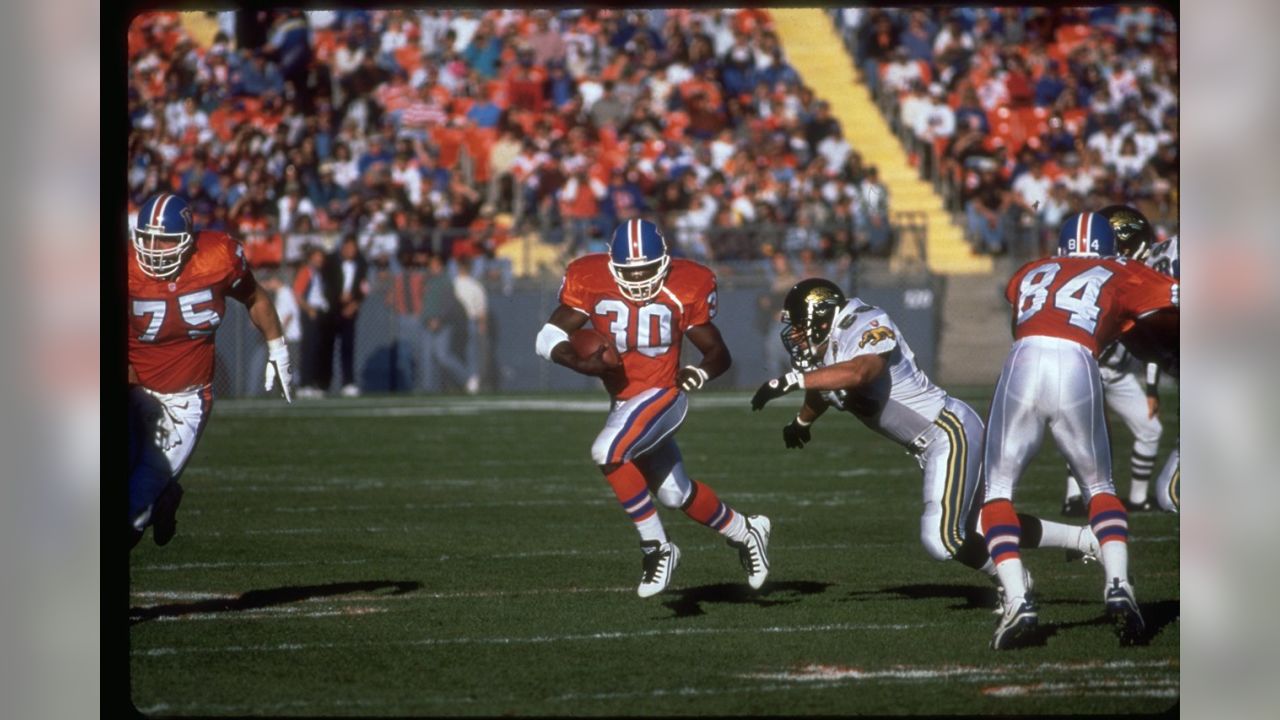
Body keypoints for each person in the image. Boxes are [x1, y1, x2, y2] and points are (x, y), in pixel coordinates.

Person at [748, 278, 1099, 613]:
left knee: (942, 538)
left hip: (948, 430)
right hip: (933, 442)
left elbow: (860, 372)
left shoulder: (864, 321)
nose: (792, 334)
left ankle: (1015, 583)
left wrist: (791, 379)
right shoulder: (827, 351)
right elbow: (825, 387)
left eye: (797, 324)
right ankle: (1085, 541)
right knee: (980, 525)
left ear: (820, 316)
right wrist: (803, 421)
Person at [534, 218, 771, 598]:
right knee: (675, 494)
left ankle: (657, 547)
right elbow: (548, 336)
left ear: (664, 262)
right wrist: (578, 362)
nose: (640, 278)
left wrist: (700, 372)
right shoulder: (590, 278)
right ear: (613, 265)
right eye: (631, 271)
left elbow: (718, 353)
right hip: (625, 402)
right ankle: (747, 531)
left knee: (607, 450)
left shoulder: (685, 285)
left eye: (647, 269)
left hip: (664, 395)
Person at [980, 211, 1179, 649]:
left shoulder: (1030, 270)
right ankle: (1118, 585)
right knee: (1100, 486)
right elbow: (1177, 299)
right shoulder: (1121, 269)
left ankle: (1017, 599)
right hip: (1077, 361)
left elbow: (1019, 306)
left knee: (996, 491)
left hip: (1024, 359)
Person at [128, 192, 293, 548]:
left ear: (187, 241)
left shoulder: (217, 256)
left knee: (129, 516)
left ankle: (157, 498)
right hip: (131, 389)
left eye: (166, 240)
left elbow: (254, 297)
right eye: (147, 239)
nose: (155, 249)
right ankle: (164, 495)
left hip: (185, 398)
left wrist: (278, 348)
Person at [1061, 205, 1166, 515]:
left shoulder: (1133, 278)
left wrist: (1151, 388)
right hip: (1085, 365)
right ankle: (1073, 498)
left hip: (1118, 373)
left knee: (1151, 430)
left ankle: (1137, 498)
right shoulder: (1095, 278)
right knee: (1082, 431)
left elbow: (1152, 341)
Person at [322, 234, 369, 397]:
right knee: (327, 347)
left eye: (353, 247)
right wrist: (337, 297)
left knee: (348, 347)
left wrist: (354, 303)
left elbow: (364, 288)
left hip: (350, 310)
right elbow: (326, 285)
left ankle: (348, 382)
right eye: (348, 247)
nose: (351, 251)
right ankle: (323, 383)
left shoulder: (362, 264)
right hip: (332, 309)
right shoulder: (331, 262)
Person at [419, 253, 471, 392]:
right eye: (431, 264)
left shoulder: (446, 282)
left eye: (436, 264)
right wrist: (426, 318)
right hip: (427, 323)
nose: (433, 267)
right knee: (426, 358)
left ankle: (467, 379)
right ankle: (428, 389)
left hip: (443, 324)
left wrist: (439, 319)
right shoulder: (426, 281)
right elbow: (424, 303)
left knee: (443, 356)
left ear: (441, 266)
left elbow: (449, 304)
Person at [293, 245, 331, 398]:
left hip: (318, 312)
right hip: (310, 313)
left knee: (317, 349)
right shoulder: (306, 272)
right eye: (317, 256)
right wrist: (309, 309)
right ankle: (304, 383)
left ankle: (314, 382)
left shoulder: (318, 274)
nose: (320, 260)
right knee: (308, 349)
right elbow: (298, 293)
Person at [451, 256, 488, 394]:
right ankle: (469, 378)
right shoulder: (475, 285)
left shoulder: (455, 284)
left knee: (468, 351)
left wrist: (481, 323)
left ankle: (470, 379)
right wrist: (482, 324)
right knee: (468, 351)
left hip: (462, 321)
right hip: (467, 320)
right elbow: (481, 309)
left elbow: (481, 309)